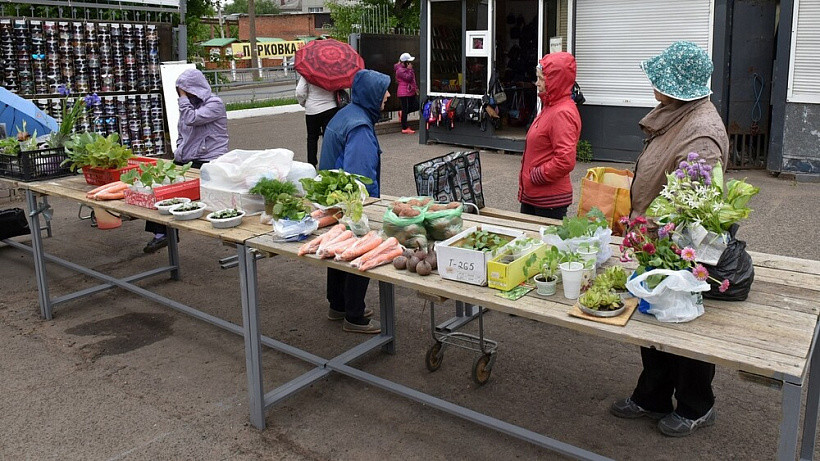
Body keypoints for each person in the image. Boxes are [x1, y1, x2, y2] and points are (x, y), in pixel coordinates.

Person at [610, 41, 729, 437]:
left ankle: (697, 405)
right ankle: (652, 396)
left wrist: (662, 243)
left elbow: (696, 209)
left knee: (681, 326)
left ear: (677, 87)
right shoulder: (678, 113)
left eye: (658, 79)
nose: (652, 84)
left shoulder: (702, 134)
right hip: (653, 242)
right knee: (653, 320)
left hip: (677, 246)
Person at [319, 69, 390, 333]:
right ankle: (354, 315)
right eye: (384, 91)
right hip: (351, 202)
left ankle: (337, 305)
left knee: (338, 247)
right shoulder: (360, 126)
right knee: (358, 249)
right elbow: (361, 177)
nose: (388, 95)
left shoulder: (346, 114)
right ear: (372, 94)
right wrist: (368, 215)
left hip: (334, 197)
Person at [144, 68, 229, 253]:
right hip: (188, 158)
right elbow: (182, 132)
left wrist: (182, 97)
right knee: (159, 187)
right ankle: (162, 234)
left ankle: (228, 231)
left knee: (179, 191)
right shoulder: (188, 106)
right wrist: (179, 151)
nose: (184, 95)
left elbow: (191, 119)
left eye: (186, 90)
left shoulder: (214, 104)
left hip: (208, 160)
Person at [517, 52, 581, 219]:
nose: (536, 83)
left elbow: (565, 159)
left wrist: (537, 175)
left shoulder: (562, 112)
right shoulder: (551, 106)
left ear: (554, 80)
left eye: (541, 78)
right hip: (536, 196)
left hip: (548, 200)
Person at [295, 73, 338, 167]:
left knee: (312, 138)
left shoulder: (308, 72)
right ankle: (329, 165)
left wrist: (304, 103)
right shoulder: (332, 71)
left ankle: (311, 165)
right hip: (330, 108)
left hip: (312, 110)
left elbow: (300, 92)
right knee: (328, 139)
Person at [394, 52, 418, 134]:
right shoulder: (400, 70)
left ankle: (402, 114)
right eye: (409, 62)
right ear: (405, 62)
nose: (410, 63)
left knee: (415, 105)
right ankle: (404, 127)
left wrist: (415, 89)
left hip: (409, 91)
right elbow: (409, 78)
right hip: (404, 92)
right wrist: (410, 69)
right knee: (405, 108)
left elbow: (412, 80)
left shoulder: (405, 69)